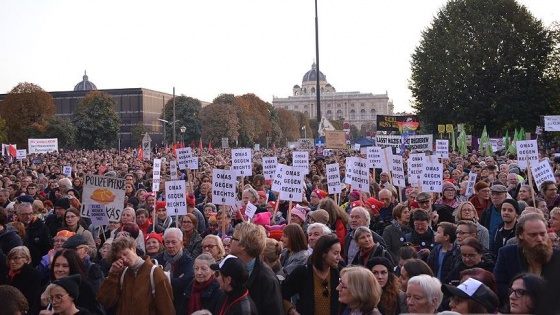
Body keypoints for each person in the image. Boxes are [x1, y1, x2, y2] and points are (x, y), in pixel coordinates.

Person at [493, 212, 560, 305]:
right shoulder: (507, 254)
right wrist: (523, 299)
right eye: (533, 235)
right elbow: (499, 285)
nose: (539, 239)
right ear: (521, 235)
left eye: (542, 234)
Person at [97, 236, 175, 314]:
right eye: (120, 257)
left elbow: (167, 309)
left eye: (125, 253)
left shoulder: (155, 273)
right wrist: (112, 275)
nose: (124, 258)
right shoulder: (123, 273)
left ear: (134, 249)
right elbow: (105, 301)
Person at [229, 222, 283, 315]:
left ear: (243, 246)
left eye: (234, 238)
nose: (230, 241)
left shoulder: (267, 279)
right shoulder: (230, 266)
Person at [281, 234, 342, 315]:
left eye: (339, 253)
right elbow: (283, 294)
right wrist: (292, 311)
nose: (339, 257)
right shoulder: (303, 272)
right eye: (335, 253)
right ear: (323, 254)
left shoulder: (339, 273)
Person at [154, 227, 194, 315]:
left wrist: (161, 278)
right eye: (167, 242)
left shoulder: (188, 261)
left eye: (174, 242)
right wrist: (175, 280)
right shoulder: (157, 260)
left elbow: (184, 283)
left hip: (180, 306)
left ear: (181, 242)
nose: (170, 246)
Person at [1, 246, 41, 311]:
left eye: (16, 258)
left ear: (26, 259)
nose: (12, 262)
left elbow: (31, 299)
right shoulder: (6, 272)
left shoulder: (33, 275)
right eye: (9, 259)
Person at [18, 202, 52, 266]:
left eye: (30, 214)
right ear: (18, 214)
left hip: (37, 263)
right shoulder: (14, 227)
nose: (28, 217)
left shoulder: (41, 227)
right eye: (24, 214)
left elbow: (48, 247)